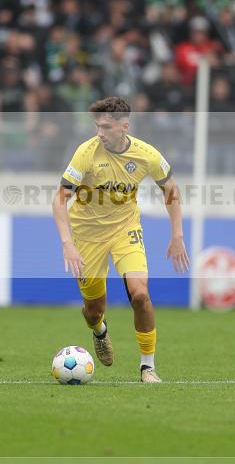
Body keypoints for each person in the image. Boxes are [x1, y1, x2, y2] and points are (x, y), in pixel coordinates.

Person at [52, 97, 190, 383]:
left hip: (125, 230)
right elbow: (59, 198)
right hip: (87, 235)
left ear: (124, 126)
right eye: (97, 126)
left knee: (140, 295)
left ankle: (147, 367)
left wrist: (177, 234)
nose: (99, 133)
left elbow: (171, 191)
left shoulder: (146, 154)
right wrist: (68, 243)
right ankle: (99, 329)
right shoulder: (86, 153)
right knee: (93, 310)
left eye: (106, 127)